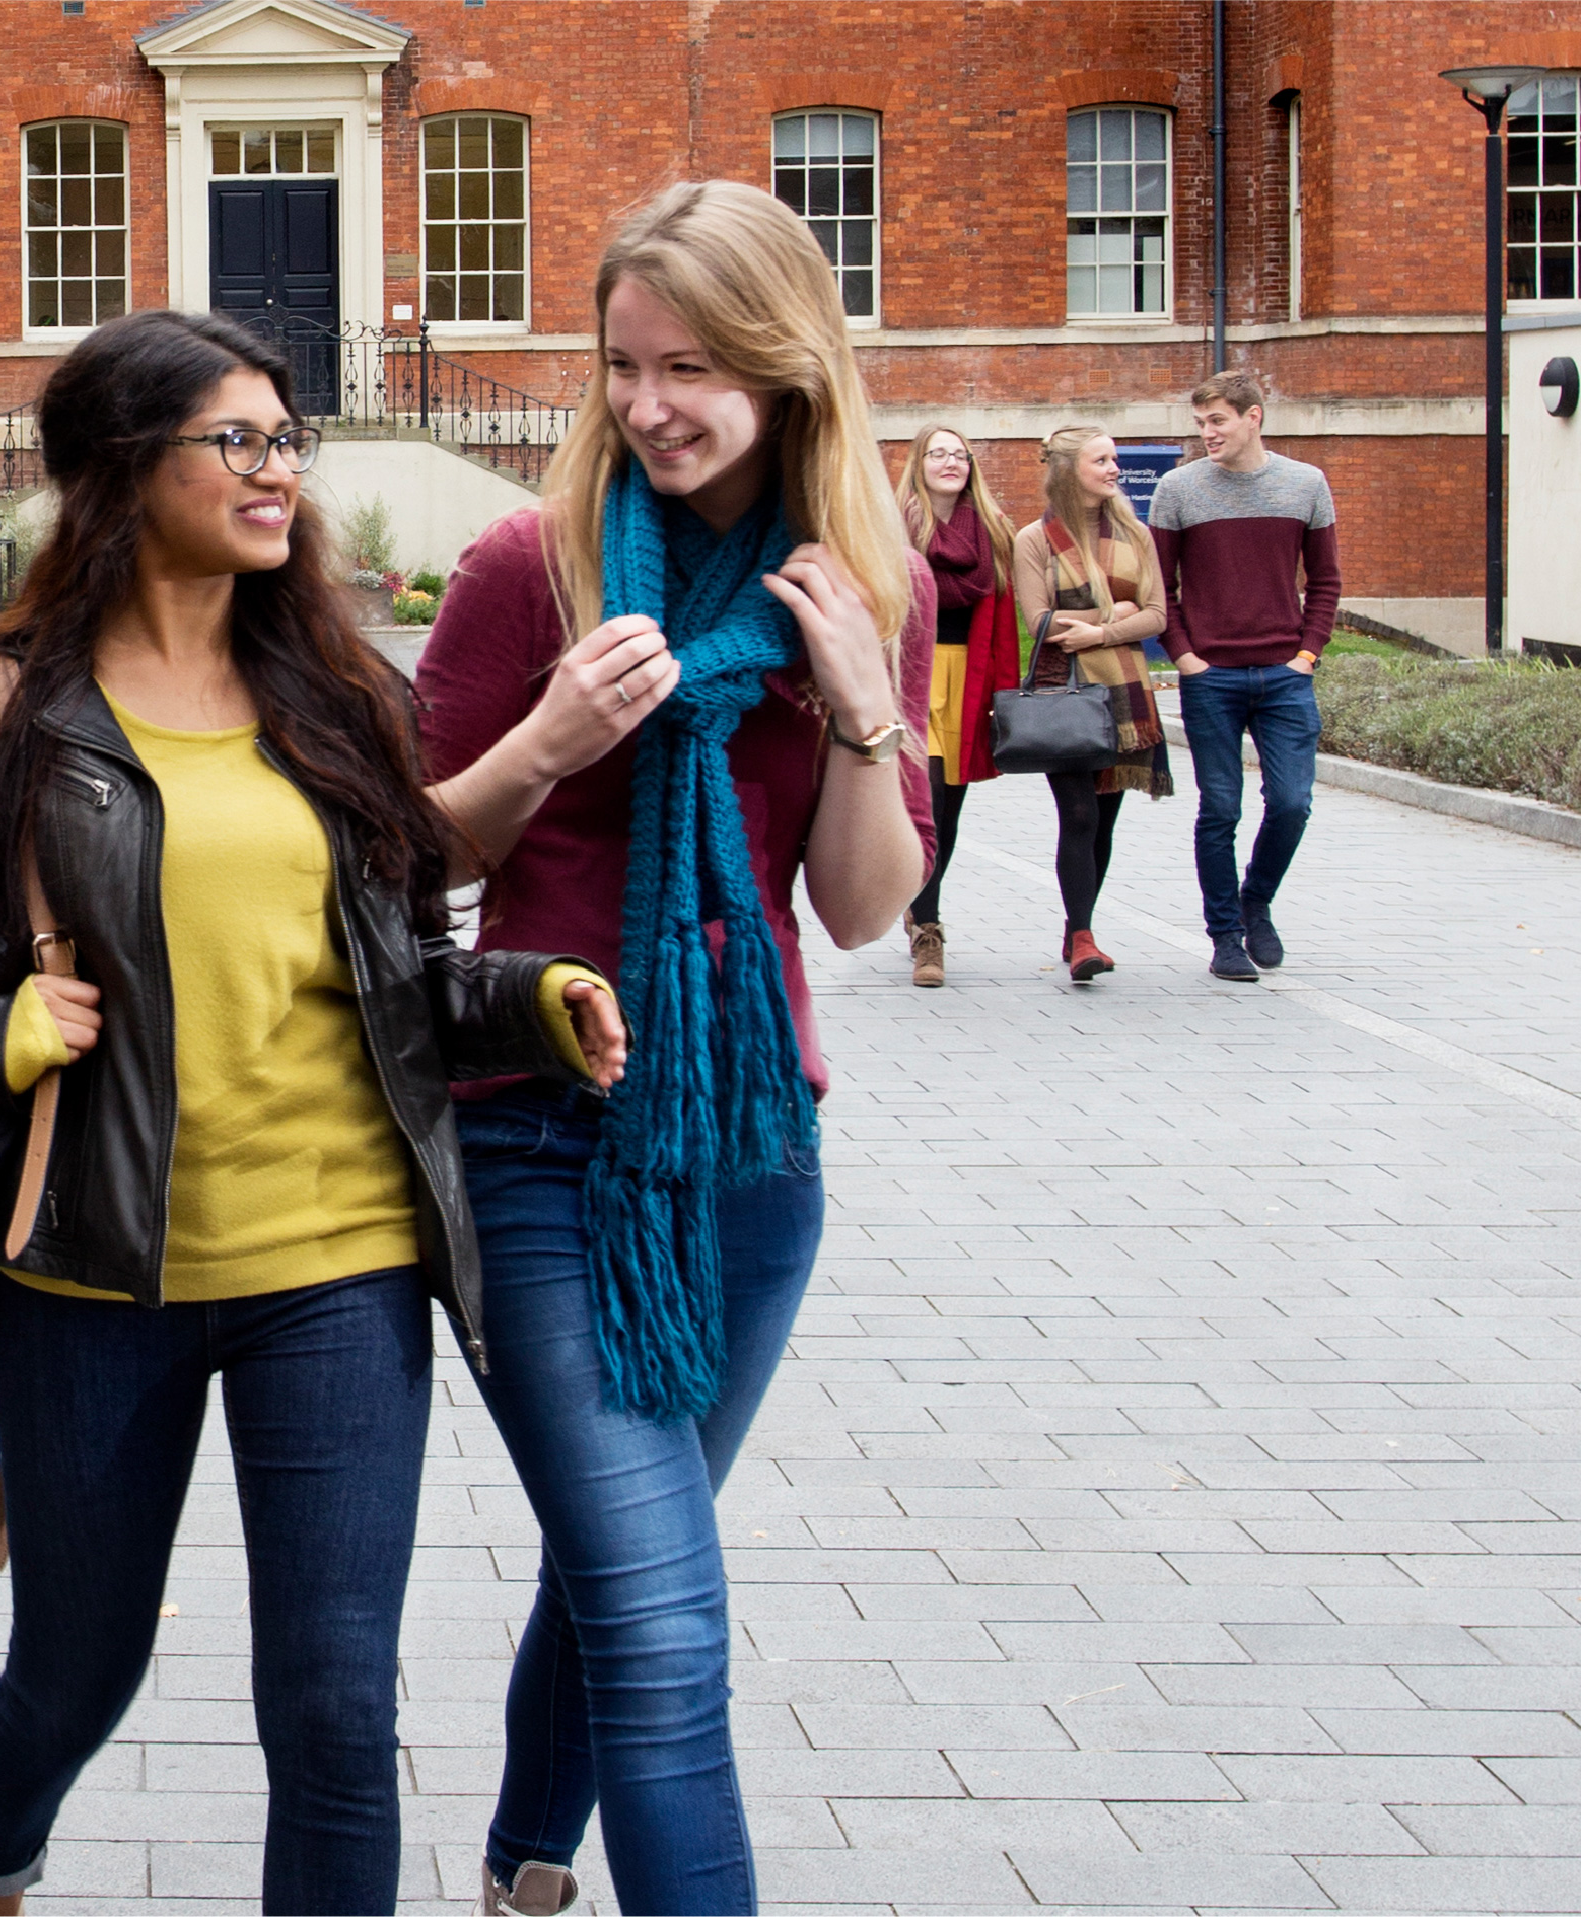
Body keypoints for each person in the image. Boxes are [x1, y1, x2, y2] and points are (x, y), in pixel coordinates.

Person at [0, 309, 625, 1917]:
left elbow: (392, 966)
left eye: (284, 438)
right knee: (78, 1668)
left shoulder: (338, 693)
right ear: (114, 470)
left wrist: (527, 996)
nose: (276, 467)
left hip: (342, 1266)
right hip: (95, 1273)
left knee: (332, 1706)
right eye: (234, 439)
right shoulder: (2, 703)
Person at [417, 180, 935, 1917]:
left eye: (693, 367)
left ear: (790, 369)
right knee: (660, 1606)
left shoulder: (851, 590)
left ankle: (521, 1865)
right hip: (542, 1144)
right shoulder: (529, 570)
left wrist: (863, 707)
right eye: (625, 364)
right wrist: (553, 736)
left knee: (616, 1571)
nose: (648, 406)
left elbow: (861, 913)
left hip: (746, 1156)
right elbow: (413, 861)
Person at [1151, 370, 1342, 981]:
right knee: (1221, 809)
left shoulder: (1305, 484)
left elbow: (1326, 581)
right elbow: (1161, 587)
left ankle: (1255, 899)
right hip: (1211, 677)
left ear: (1252, 416)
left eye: (1217, 421)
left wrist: (1307, 654)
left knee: (1291, 803)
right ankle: (1226, 934)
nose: (1207, 433)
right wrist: (1184, 655)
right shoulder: (1178, 490)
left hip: (1285, 674)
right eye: (1201, 423)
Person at [1012, 426, 1172, 984]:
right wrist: (1117, 615)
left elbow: (1157, 614)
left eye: (1114, 459)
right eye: (1101, 459)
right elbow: (1040, 621)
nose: (1114, 469)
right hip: (1066, 691)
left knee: (1103, 821)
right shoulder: (1035, 538)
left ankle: (1078, 921)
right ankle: (1083, 938)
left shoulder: (1136, 533)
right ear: (1067, 469)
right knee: (1077, 813)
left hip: (1124, 689)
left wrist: (1099, 632)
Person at [894, 423, 1019, 986]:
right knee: (930, 802)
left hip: (968, 678)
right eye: (938, 453)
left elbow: (1005, 619)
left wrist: (1007, 691)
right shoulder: (893, 528)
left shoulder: (993, 530)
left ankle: (918, 902)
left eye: (960, 454)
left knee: (951, 809)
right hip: (912, 679)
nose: (951, 462)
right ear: (918, 463)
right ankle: (928, 930)